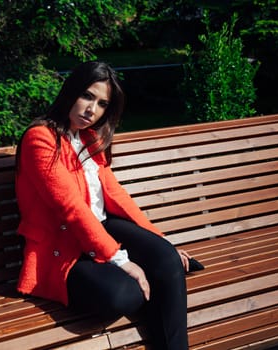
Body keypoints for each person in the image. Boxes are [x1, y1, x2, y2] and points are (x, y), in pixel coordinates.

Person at [15, 61, 191, 349]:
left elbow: (115, 194)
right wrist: (122, 261)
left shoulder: (89, 137)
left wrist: (158, 240)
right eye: (87, 96)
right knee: (127, 295)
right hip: (64, 246)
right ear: (70, 91)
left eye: (101, 103)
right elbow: (71, 208)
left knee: (167, 258)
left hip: (101, 230)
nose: (91, 110)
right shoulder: (41, 138)